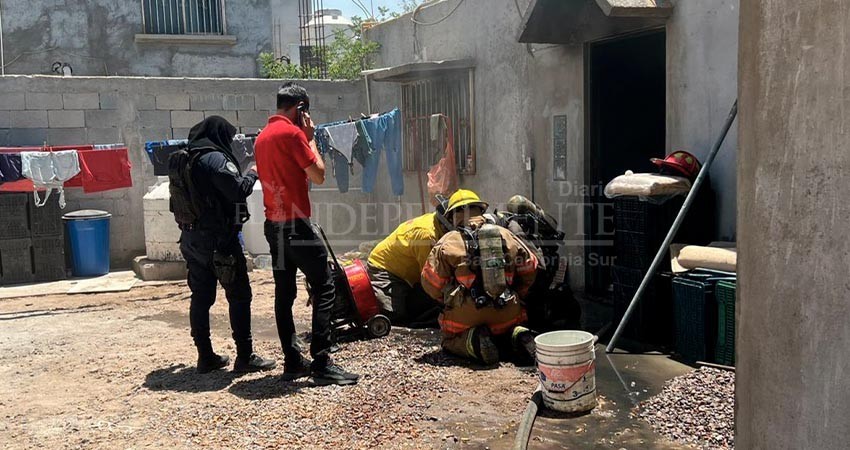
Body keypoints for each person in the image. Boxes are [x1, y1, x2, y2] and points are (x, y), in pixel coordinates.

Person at [254, 82, 360, 386]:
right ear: (300, 109)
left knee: (284, 293)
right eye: (306, 112)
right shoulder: (293, 133)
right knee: (325, 286)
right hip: (296, 225)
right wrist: (311, 140)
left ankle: (292, 359)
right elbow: (318, 174)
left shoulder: (262, 137)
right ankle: (322, 360)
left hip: (273, 226)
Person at [174, 116, 276, 374]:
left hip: (190, 238)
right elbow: (237, 190)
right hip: (218, 240)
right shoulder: (215, 160)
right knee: (240, 295)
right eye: (228, 138)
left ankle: (205, 356)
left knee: (201, 297)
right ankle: (244, 356)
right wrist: (253, 172)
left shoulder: (184, 158)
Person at [420, 189, 539, 365]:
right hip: (507, 310)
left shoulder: (448, 242)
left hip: (466, 317)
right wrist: (518, 294)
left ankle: (475, 341)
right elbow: (531, 267)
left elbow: (431, 283)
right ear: (481, 211)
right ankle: (519, 335)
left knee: (449, 339)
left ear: (453, 216)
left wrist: (451, 300)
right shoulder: (505, 234)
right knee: (509, 328)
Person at [366, 199, 451, 327]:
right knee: (395, 318)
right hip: (385, 268)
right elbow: (431, 277)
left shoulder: (438, 224)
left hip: (407, 272)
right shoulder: (427, 235)